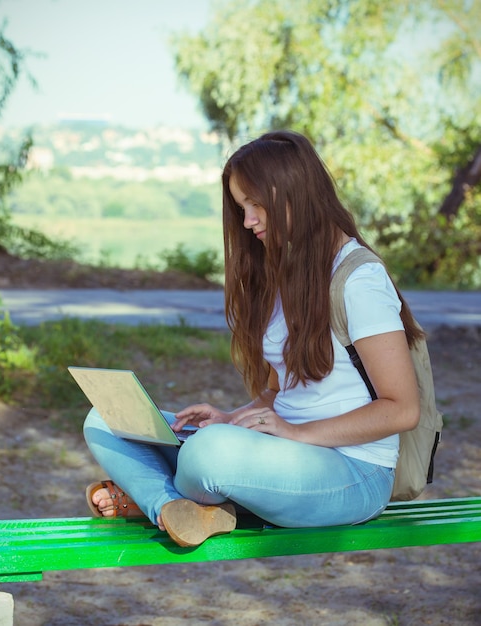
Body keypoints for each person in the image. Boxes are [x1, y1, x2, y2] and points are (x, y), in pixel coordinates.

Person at [83, 130, 422, 548]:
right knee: (105, 419)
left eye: (256, 204)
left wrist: (297, 433)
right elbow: (282, 394)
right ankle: (172, 507)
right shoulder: (287, 273)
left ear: (296, 191)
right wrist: (230, 418)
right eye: (242, 207)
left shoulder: (359, 279)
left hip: (353, 472)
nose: (247, 221)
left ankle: (160, 495)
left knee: (206, 455)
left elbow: (402, 409)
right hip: (277, 454)